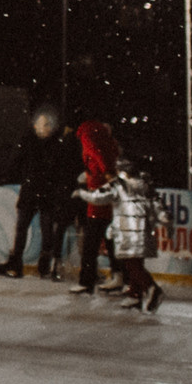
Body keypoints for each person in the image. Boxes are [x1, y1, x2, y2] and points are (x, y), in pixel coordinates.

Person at [0, 104, 78, 281]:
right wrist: (6, 175)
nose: (43, 128)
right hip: (33, 191)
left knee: (46, 230)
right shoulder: (31, 141)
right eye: (41, 124)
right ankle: (17, 263)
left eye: (46, 125)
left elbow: (62, 168)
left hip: (46, 193)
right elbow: (17, 161)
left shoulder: (56, 145)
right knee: (22, 229)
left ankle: (44, 263)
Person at [106, 154, 163, 314]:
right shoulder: (143, 185)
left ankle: (151, 288)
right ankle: (135, 294)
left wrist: (82, 193)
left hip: (131, 231)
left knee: (131, 263)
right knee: (134, 263)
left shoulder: (124, 187)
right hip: (140, 229)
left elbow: (106, 199)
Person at [69, 120, 120, 294]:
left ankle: (87, 281)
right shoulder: (110, 145)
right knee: (111, 240)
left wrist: (97, 177)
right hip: (107, 201)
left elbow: (100, 162)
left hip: (99, 201)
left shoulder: (90, 137)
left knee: (91, 243)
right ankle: (120, 276)